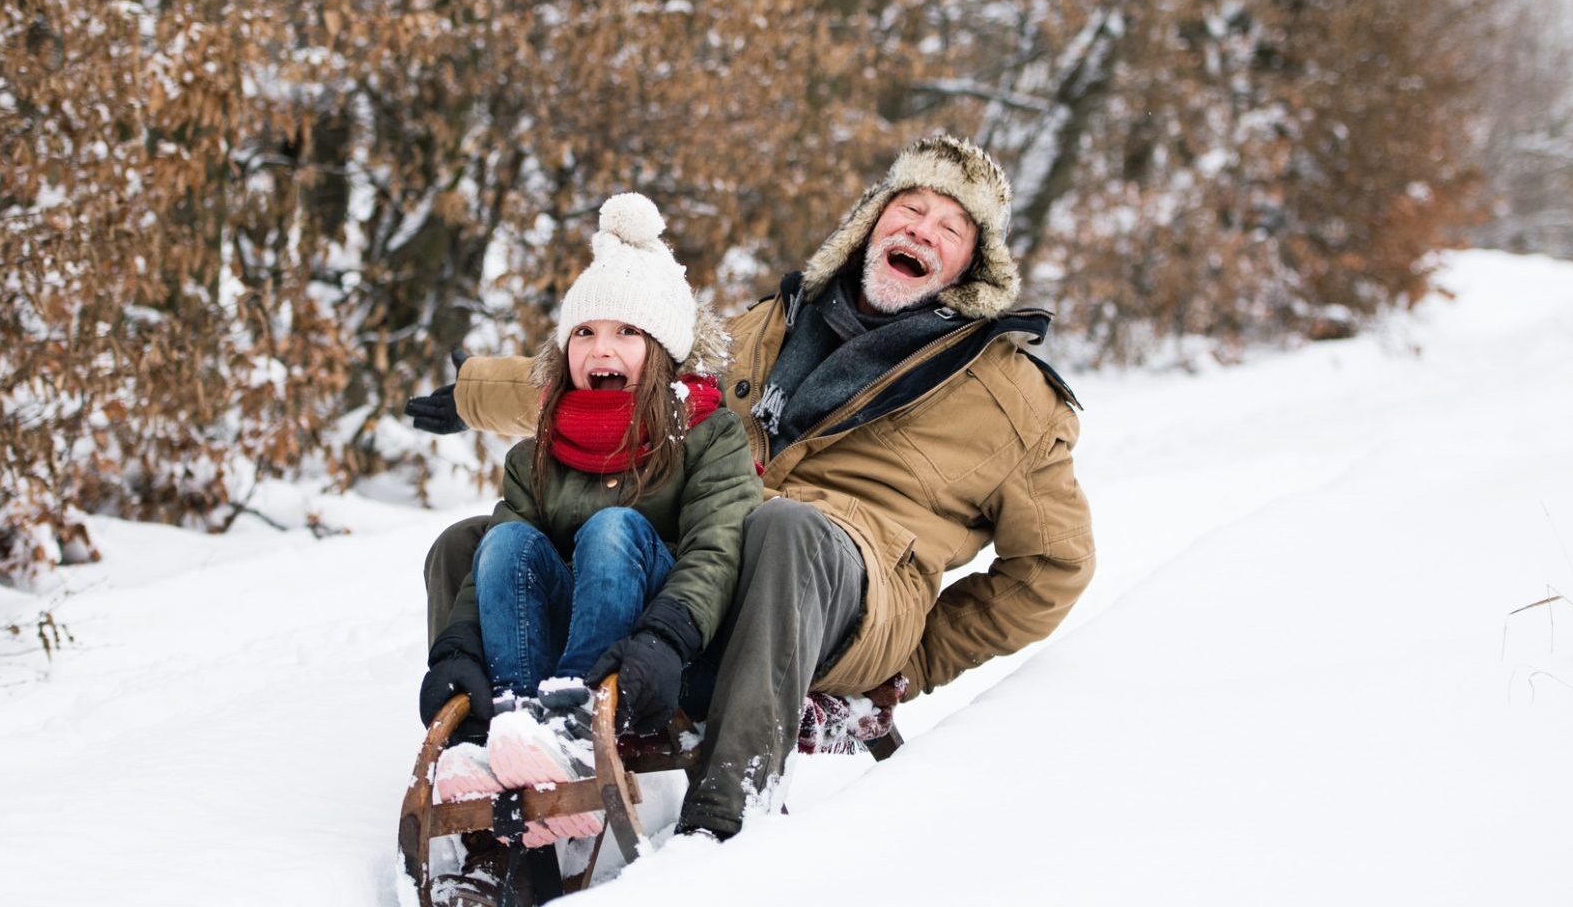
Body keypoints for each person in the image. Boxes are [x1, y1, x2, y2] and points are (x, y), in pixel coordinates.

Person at [408, 133, 1095, 841]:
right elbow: (633, 379)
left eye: (951, 226)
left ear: (971, 263)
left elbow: (1053, 567)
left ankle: (727, 810)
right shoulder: (772, 326)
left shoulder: (1010, 395)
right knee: (476, 544)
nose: (922, 228)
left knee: (784, 527)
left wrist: (919, 659)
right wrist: (473, 391)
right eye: (910, 207)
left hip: (849, 597)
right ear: (872, 220)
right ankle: (490, 795)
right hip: (714, 567)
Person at [416, 193, 763, 847]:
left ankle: (569, 729)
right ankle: (518, 728)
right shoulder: (535, 455)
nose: (602, 348)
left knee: (612, 529)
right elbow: (503, 565)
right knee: (508, 539)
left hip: (661, 652)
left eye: (627, 331)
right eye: (585, 331)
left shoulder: (709, 436)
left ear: (662, 349)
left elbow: (719, 550)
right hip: (564, 627)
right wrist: (456, 650)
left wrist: (667, 636)